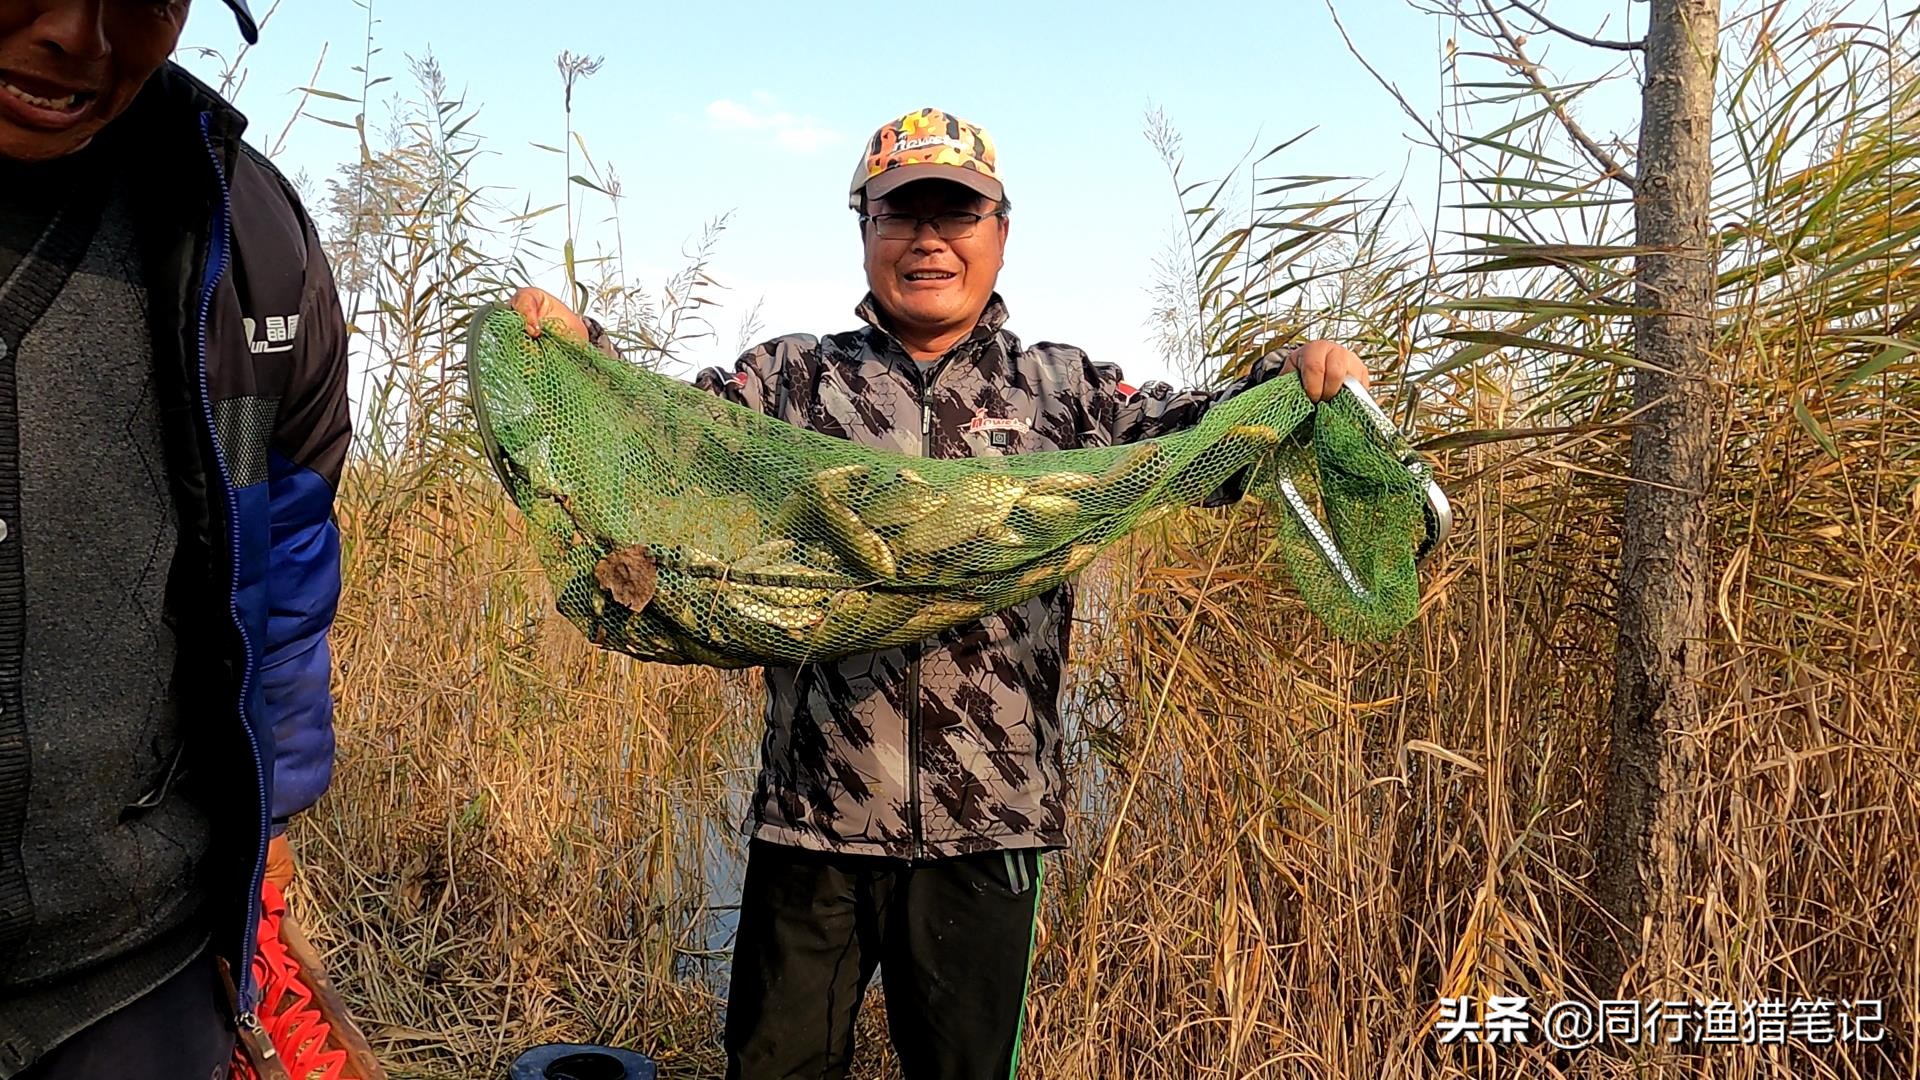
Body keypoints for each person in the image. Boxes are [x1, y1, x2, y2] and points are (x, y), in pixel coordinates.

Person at [512, 106, 1368, 1080]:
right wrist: (580, 352)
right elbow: (660, 436)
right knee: (773, 1066)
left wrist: (1295, 383)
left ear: (999, 232)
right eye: (898, 213)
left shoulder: (1062, 394)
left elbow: (1202, 448)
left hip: (989, 826)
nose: (928, 238)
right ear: (864, 228)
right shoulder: (794, 382)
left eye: (955, 212)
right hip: (815, 817)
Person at [0, 1, 351, 1077]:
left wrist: (276, 827)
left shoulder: (248, 236)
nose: (84, 36)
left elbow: (283, 566)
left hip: (132, 969)